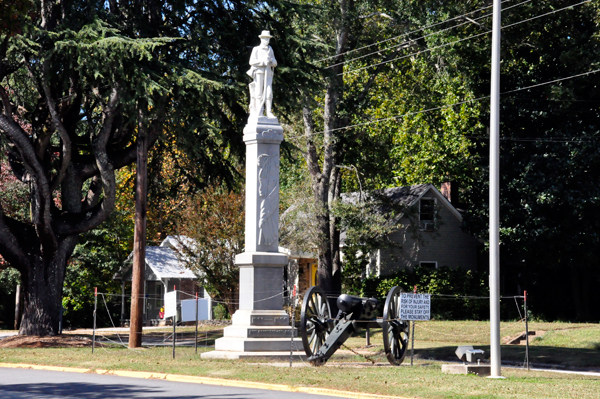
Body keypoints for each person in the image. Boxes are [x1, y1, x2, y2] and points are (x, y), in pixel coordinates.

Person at [247, 30, 277, 118]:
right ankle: (259, 111)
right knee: (258, 92)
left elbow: (274, 62)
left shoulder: (270, 49)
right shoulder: (256, 49)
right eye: (265, 39)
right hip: (259, 72)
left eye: (268, 39)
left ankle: (268, 112)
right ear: (261, 39)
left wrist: (271, 61)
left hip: (268, 73)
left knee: (269, 92)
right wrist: (263, 62)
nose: (267, 41)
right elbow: (251, 61)